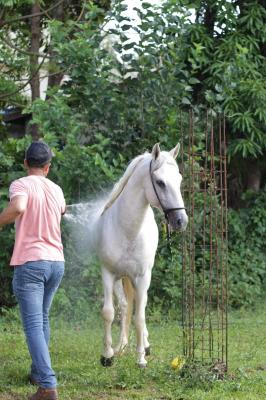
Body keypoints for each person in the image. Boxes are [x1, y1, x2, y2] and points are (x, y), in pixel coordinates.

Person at [0, 141, 66, 400]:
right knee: (43, 319)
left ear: (26, 163)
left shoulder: (21, 184)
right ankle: (39, 373)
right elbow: (60, 211)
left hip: (31, 264)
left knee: (33, 324)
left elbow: (18, 207)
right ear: (48, 167)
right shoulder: (57, 189)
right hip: (56, 263)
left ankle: (48, 385)